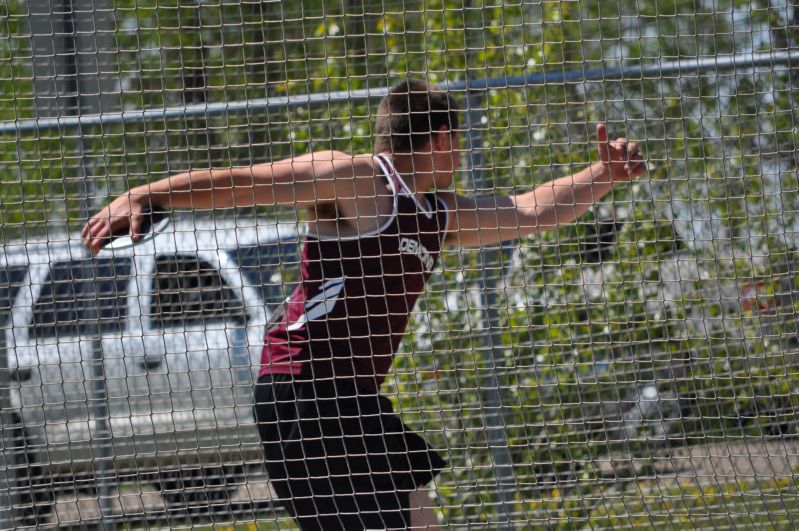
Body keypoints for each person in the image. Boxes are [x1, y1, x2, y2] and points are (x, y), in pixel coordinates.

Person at [82, 79, 646, 530]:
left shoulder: (434, 213)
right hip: (303, 392)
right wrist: (147, 194)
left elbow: (529, 211)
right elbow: (246, 183)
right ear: (444, 140)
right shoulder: (358, 180)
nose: (463, 154)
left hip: (348, 399)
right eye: (461, 141)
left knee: (417, 513)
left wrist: (604, 175)